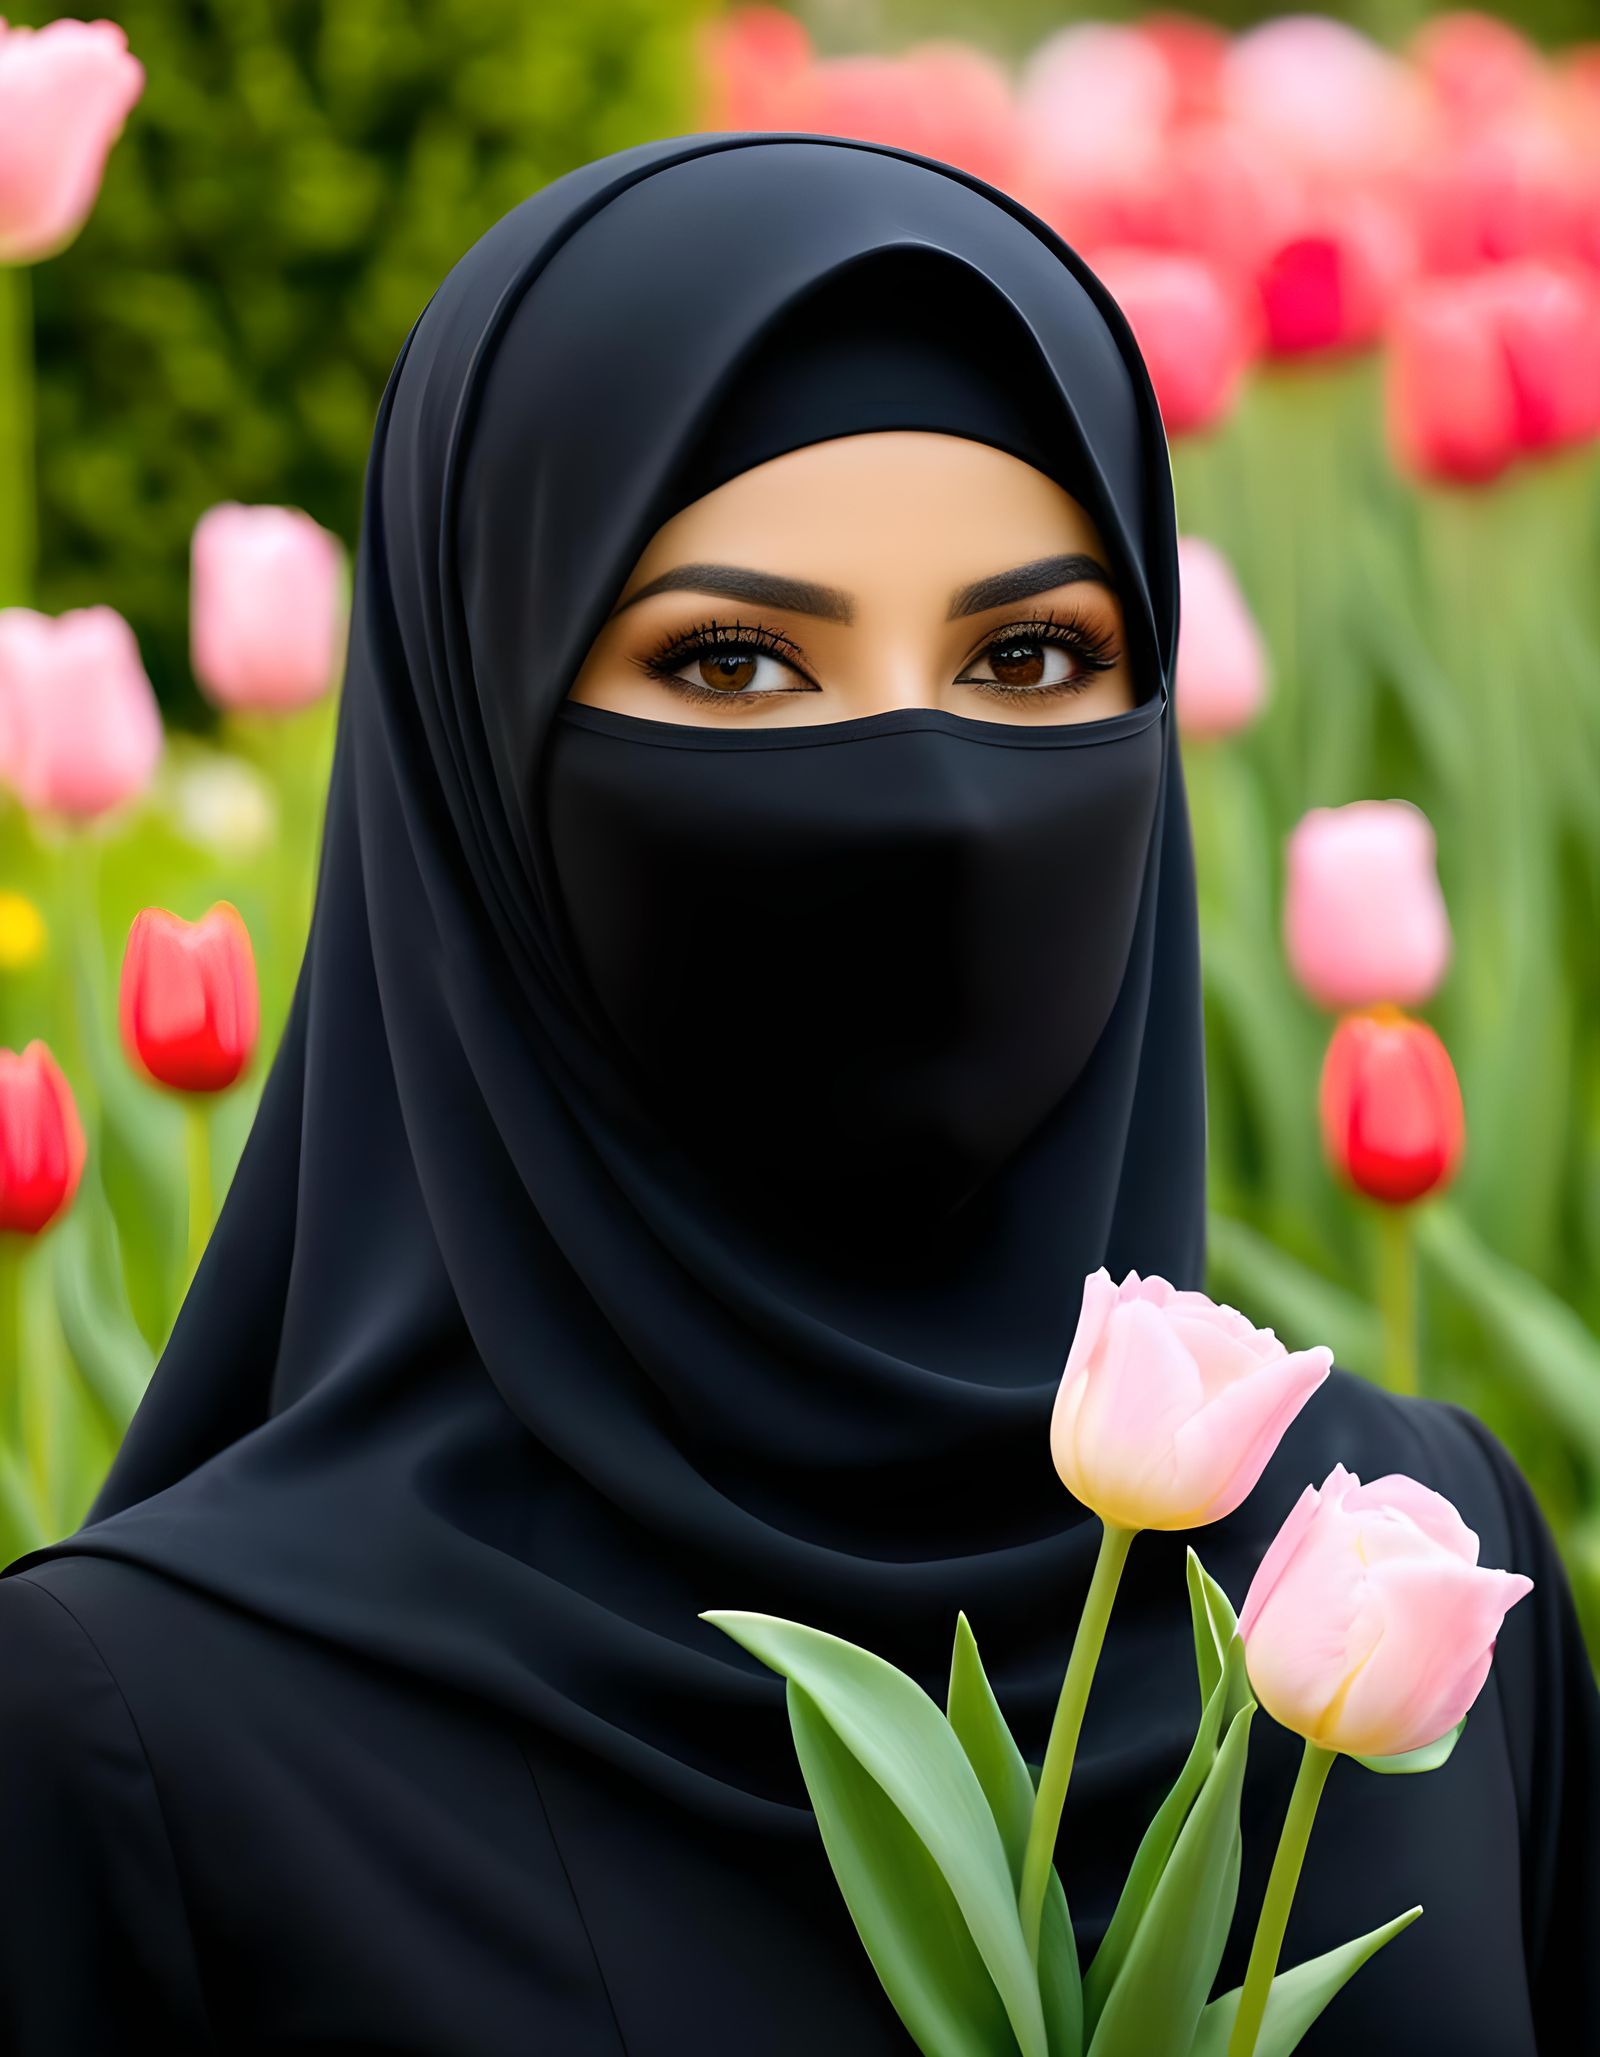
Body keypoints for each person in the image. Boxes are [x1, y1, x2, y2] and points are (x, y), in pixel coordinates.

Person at [0, 134, 1594, 2056]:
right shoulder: (144, 1738)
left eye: (1031, 654)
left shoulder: (1400, 1579)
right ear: (477, 774)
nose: (923, 802)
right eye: (737, 661)